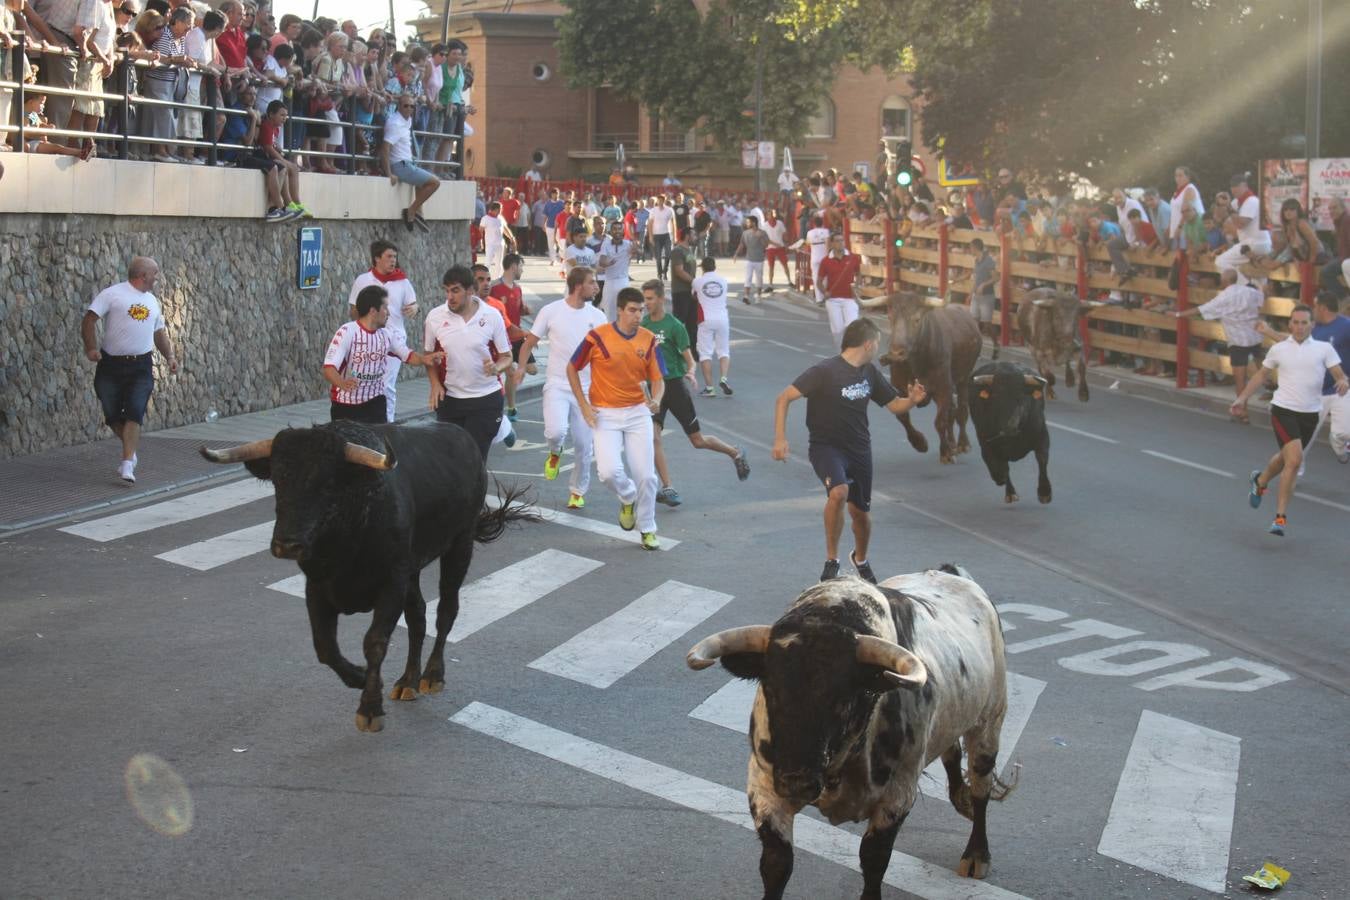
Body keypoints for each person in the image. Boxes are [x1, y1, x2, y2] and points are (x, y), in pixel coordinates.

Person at [772, 317, 927, 582]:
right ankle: (832, 560)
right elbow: (784, 397)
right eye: (878, 343)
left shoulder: (870, 373)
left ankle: (861, 559)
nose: (879, 348)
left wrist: (912, 400)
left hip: (860, 450)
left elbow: (894, 406)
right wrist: (780, 438)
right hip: (826, 448)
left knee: (861, 515)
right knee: (839, 493)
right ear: (868, 344)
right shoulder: (824, 371)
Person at [1233, 305, 1348, 537]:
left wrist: (1344, 382)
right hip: (1283, 410)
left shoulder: (1324, 349)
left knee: (1286, 458)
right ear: (1289, 324)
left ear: (1312, 325)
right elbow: (1260, 375)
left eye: (1304, 322)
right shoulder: (1279, 349)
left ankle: (1261, 480)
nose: (1299, 327)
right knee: (1294, 461)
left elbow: (1339, 374)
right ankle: (1280, 518)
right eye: (1295, 322)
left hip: (1310, 414)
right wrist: (1242, 398)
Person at [567, 286, 667, 551]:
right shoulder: (597, 337)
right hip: (605, 414)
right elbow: (572, 367)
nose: (638, 315)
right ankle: (627, 496)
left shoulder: (648, 339)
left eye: (641, 310)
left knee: (646, 476)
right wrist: (584, 406)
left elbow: (658, 379)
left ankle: (647, 528)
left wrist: (656, 399)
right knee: (608, 472)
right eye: (632, 310)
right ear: (620, 311)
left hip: (637, 413)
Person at [641, 280, 749, 508]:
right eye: (645, 299)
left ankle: (735, 452)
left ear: (661, 299)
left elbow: (689, 358)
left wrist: (690, 372)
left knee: (697, 441)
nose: (646, 303)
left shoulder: (674, 326)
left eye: (650, 298)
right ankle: (668, 486)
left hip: (675, 387)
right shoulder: (643, 326)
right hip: (654, 388)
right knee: (653, 437)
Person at [513, 266, 607, 508]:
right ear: (578, 286)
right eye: (592, 282)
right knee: (556, 432)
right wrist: (521, 367)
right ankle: (555, 452)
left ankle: (577, 491)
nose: (596, 287)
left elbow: (605, 356)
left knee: (585, 445)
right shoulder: (551, 311)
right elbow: (528, 344)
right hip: (557, 384)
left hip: (586, 389)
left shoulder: (598, 317)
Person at [80, 257, 179, 484]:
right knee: (113, 414)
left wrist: (170, 357)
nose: (157, 277)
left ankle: (126, 464)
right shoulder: (113, 294)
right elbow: (88, 320)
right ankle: (131, 450)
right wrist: (91, 348)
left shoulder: (153, 301)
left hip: (141, 366)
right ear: (143, 275)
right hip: (111, 364)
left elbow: (159, 333)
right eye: (154, 273)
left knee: (134, 411)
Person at [423, 265, 512, 460]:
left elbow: (507, 356)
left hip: (486, 399)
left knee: (474, 460)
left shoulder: (491, 316)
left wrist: (496, 367)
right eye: (447, 290)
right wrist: (435, 384)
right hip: (451, 399)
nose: (450, 297)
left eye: (455, 290)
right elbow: (428, 357)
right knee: (450, 460)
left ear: (470, 290)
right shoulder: (435, 317)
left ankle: (502, 427)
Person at [1257, 292, 1350, 473]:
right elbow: (1289, 343)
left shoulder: (1346, 326)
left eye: (1314, 307)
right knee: (1302, 440)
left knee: (1343, 433)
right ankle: (1295, 471)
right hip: (1314, 395)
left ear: (1322, 308)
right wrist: (1268, 332)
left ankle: (1340, 448)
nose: (1312, 310)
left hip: (1340, 390)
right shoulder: (1311, 328)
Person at [324, 285, 438, 424]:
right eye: (385, 308)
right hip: (345, 406)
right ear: (373, 311)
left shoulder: (387, 334)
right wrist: (342, 383)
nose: (388, 313)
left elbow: (407, 355)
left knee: (378, 444)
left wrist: (425, 359)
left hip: (376, 403)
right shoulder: (347, 332)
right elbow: (329, 368)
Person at [1174, 269, 1263, 421]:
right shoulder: (1250, 292)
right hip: (1255, 337)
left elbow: (1201, 310)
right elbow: (1261, 298)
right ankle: (1273, 389)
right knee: (1263, 371)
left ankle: (1243, 412)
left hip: (1238, 340)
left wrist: (1178, 314)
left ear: (1224, 281)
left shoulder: (1224, 297)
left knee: (1240, 379)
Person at [348, 239, 419, 422]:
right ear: (377, 258)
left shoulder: (402, 282)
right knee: (366, 382)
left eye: (395, 257)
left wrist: (414, 309)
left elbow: (414, 305)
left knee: (387, 385)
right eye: (389, 256)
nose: (393, 260)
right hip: (368, 339)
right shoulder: (363, 280)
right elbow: (353, 310)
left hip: (393, 340)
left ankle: (388, 424)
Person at [381, 92, 439, 233]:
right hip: (400, 165)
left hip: (407, 163)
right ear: (399, 106)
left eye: (412, 106)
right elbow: (385, 148)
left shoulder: (407, 120)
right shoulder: (395, 123)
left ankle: (418, 212)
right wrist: (389, 173)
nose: (409, 109)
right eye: (405, 105)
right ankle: (411, 211)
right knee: (434, 182)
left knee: (423, 182)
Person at [489, 252, 533, 422]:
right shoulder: (494, 287)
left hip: (517, 337)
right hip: (502, 340)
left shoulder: (517, 288)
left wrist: (525, 309)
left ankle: (509, 396)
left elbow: (519, 308)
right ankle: (512, 408)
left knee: (532, 369)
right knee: (511, 372)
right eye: (521, 266)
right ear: (514, 266)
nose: (522, 270)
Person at [1215, 172, 1271, 287]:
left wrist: (1229, 207)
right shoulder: (1237, 202)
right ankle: (1255, 293)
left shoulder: (1252, 200)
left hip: (1256, 243)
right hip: (1250, 244)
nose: (1233, 189)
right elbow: (1218, 216)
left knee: (1220, 262)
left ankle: (1247, 287)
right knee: (1258, 280)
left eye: (1237, 186)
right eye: (1232, 186)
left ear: (1245, 186)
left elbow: (1241, 223)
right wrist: (1220, 203)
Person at [691, 256, 733, 397]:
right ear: (715, 267)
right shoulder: (723, 281)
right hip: (722, 318)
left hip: (706, 319)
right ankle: (724, 378)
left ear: (702, 268)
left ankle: (709, 388)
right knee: (724, 351)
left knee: (705, 353)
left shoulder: (697, 281)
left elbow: (694, 296)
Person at [817, 232, 862, 351]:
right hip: (833, 300)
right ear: (831, 244)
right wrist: (824, 292)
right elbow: (819, 281)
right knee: (837, 330)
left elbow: (859, 273)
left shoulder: (853, 258)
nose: (840, 243)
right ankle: (840, 354)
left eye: (842, 240)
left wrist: (857, 286)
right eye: (837, 241)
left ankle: (851, 352)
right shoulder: (825, 261)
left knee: (852, 326)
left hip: (850, 298)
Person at [669, 227, 699, 362]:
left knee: (692, 324)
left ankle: (692, 351)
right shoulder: (677, 251)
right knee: (679, 324)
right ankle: (676, 351)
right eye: (693, 234)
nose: (695, 237)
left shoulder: (689, 250)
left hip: (691, 292)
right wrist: (694, 282)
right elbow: (679, 271)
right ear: (687, 236)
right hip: (681, 292)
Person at [597, 219, 633, 320]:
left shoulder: (628, 244)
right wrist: (607, 263)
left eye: (619, 229)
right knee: (609, 313)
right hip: (610, 282)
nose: (617, 231)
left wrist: (636, 249)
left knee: (625, 312)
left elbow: (638, 251)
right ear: (611, 231)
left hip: (623, 281)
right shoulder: (606, 244)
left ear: (623, 231)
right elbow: (601, 261)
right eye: (614, 229)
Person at [733, 215, 768, 304]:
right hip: (749, 259)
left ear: (753, 223)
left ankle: (759, 296)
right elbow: (742, 244)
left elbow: (766, 245)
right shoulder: (745, 233)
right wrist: (736, 254)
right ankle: (746, 296)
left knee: (759, 278)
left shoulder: (762, 233)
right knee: (748, 277)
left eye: (748, 222)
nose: (747, 223)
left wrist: (760, 237)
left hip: (759, 259)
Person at [480, 200, 516, 279]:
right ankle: (484, 278)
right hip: (490, 244)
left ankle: (498, 278)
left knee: (499, 263)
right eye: (500, 209)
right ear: (495, 209)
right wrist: (481, 241)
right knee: (488, 261)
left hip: (500, 244)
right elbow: (480, 231)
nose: (501, 210)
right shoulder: (485, 218)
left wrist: (511, 237)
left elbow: (505, 229)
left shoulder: (501, 218)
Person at [762, 210, 791, 290]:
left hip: (780, 248)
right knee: (771, 267)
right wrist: (775, 244)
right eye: (769, 214)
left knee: (785, 264)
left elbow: (784, 233)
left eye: (772, 214)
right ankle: (770, 284)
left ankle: (789, 281)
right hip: (770, 248)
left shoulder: (780, 223)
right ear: (767, 216)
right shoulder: (765, 225)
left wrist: (786, 243)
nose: (771, 216)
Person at [806, 216, 831, 304]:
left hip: (814, 256)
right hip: (823, 256)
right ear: (822, 223)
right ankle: (824, 295)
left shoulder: (809, 232)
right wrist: (828, 256)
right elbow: (828, 244)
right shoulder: (826, 231)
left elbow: (808, 244)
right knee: (825, 277)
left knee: (815, 277)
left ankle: (819, 298)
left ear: (814, 224)